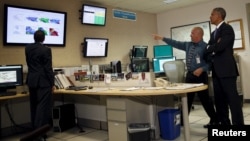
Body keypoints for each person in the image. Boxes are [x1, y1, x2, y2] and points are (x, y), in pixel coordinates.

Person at [152, 27, 217, 128]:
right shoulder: (188, 45)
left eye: (192, 33)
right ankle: (181, 121)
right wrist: (162, 38)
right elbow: (175, 43)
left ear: (199, 35)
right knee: (186, 99)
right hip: (190, 75)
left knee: (205, 100)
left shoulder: (205, 47)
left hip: (200, 76)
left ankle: (214, 120)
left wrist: (202, 69)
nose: (190, 35)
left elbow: (210, 63)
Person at [204, 7, 244, 125]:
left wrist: (213, 47)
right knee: (220, 101)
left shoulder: (227, 28)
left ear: (219, 15)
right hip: (216, 72)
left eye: (212, 15)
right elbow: (208, 49)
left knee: (233, 101)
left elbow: (220, 47)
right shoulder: (213, 33)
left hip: (227, 71)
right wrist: (214, 46)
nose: (210, 17)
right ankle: (225, 125)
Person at [25, 30, 55, 138]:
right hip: (43, 82)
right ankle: (39, 133)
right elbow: (48, 68)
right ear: (44, 38)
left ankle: (35, 131)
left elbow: (29, 63)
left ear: (34, 38)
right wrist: (52, 83)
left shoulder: (27, 48)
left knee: (34, 106)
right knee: (42, 108)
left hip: (32, 81)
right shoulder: (46, 50)